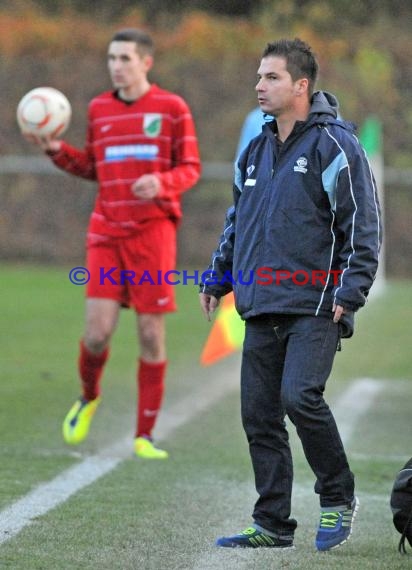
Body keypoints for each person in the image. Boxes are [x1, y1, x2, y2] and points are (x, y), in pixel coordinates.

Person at [199, 38, 381, 550]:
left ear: (301, 86)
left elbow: (362, 224)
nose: (259, 86)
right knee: (258, 414)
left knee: (299, 396)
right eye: (259, 77)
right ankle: (273, 523)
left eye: (271, 77)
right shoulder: (255, 150)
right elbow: (240, 221)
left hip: (316, 303)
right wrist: (218, 276)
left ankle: (337, 496)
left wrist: (353, 289)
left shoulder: (337, 145)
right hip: (260, 303)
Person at [26, 28, 201, 459]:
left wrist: (160, 181)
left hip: (153, 233)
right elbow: (94, 166)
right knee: (98, 332)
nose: (116, 66)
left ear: (146, 62)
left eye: (124, 58)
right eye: (111, 58)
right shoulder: (99, 108)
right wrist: (56, 150)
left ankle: (144, 435)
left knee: (149, 333)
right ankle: (88, 397)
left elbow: (191, 168)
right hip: (106, 231)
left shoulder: (172, 108)